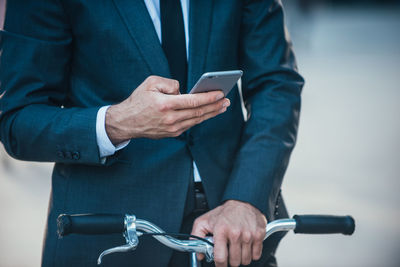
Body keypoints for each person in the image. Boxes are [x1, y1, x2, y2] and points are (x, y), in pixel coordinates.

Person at [0, 0, 304, 266]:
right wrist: (118, 123)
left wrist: (247, 198)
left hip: (231, 229)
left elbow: (277, 84)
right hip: (107, 235)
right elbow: (18, 119)